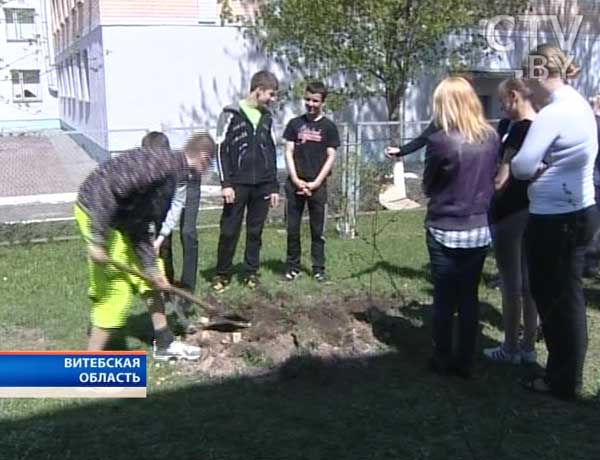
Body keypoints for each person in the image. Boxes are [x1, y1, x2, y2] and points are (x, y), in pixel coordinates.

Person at [388, 76, 498, 378]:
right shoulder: (491, 136)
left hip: (444, 227)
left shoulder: (440, 141)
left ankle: (441, 358)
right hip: (478, 227)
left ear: (444, 104)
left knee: (444, 298)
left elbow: (429, 183)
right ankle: (466, 361)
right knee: (469, 297)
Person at [74, 132, 215, 360]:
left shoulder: (172, 175)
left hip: (120, 222)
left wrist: (150, 269)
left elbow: (140, 223)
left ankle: (165, 342)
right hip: (97, 214)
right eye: (210, 163)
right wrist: (97, 239)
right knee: (116, 292)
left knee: (151, 278)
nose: (209, 169)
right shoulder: (160, 166)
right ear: (203, 156)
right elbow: (105, 188)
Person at [511, 44, 599, 400]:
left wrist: (538, 168)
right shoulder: (578, 104)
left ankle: (561, 381)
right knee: (568, 297)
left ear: (537, 72)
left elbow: (521, 166)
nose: (524, 84)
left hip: (556, 218)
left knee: (557, 298)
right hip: (579, 210)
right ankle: (565, 374)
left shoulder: (553, 113)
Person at [483, 79, 539, 365]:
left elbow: (501, 179)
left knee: (511, 282)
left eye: (503, 101)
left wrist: (481, 195)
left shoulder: (521, 129)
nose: (501, 107)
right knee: (529, 282)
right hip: (533, 210)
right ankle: (528, 345)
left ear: (514, 96)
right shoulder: (536, 126)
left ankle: (510, 347)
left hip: (510, 212)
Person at [211, 70, 280, 293]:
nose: (273, 99)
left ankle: (251, 272)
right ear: (258, 90)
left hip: (261, 185)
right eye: (271, 94)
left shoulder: (267, 117)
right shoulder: (230, 113)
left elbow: (270, 151)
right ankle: (222, 274)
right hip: (237, 185)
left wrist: (274, 186)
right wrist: (226, 183)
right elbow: (220, 148)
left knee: (255, 231)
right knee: (229, 230)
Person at [282, 81, 339, 282]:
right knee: (293, 229)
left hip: (317, 186)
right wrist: (296, 179)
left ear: (323, 102)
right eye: (307, 99)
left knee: (317, 231)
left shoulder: (329, 127)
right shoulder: (294, 124)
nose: (310, 104)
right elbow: (288, 152)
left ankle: (318, 268)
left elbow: (331, 157)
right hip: (295, 185)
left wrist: (315, 183)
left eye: (315, 100)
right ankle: (292, 267)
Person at [583, 94, 600, 277]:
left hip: (595, 179)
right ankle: (591, 264)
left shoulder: (594, 124)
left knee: (594, 227)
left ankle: (590, 263)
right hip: (595, 178)